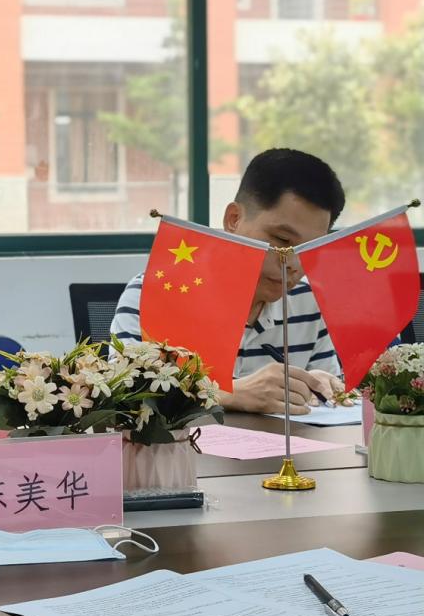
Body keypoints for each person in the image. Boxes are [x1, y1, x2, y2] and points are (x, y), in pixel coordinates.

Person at [110, 148, 347, 416]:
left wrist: (318, 388)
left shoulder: (308, 300)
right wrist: (229, 393)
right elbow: (122, 396)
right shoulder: (154, 293)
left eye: (310, 250)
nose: (293, 263)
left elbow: (329, 411)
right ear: (234, 219)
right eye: (282, 240)